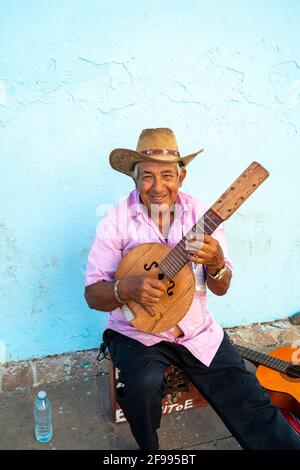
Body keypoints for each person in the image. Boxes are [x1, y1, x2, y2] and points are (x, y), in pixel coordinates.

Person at [84, 128, 300, 450]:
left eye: (167, 175)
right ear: (134, 179)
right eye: (147, 177)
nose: (158, 187)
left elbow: (222, 287)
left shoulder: (203, 217)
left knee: (250, 400)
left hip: (197, 330)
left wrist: (216, 264)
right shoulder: (115, 222)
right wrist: (125, 288)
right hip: (137, 331)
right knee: (141, 386)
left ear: (181, 177)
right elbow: (92, 294)